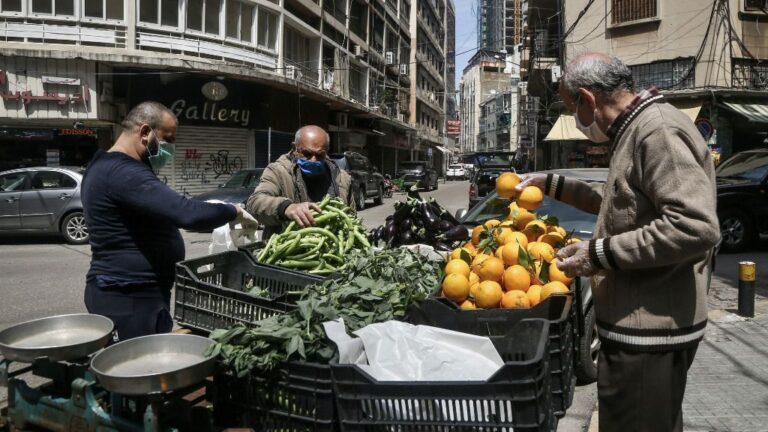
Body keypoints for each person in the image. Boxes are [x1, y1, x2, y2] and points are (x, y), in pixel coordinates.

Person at [517, 53, 719, 432]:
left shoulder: (656, 131)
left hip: (650, 336)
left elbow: (694, 226)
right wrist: (553, 184)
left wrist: (596, 255)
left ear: (588, 101)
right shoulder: (634, 129)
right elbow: (623, 206)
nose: (575, 120)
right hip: (639, 332)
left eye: (569, 106)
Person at [82, 101, 257, 343]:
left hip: (135, 291)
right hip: (128, 294)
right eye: (169, 139)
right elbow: (186, 213)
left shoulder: (107, 165)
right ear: (145, 133)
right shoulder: (123, 172)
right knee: (139, 371)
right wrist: (232, 210)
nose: (172, 147)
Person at [246, 125, 354, 238]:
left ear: (327, 151)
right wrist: (286, 208)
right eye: (307, 154)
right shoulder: (278, 172)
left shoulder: (341, 178)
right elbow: (255, 203)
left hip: (332, 252)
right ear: (294, 147)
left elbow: (351, 219)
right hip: (289, 251)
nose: (313, 160)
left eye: (319, 155)